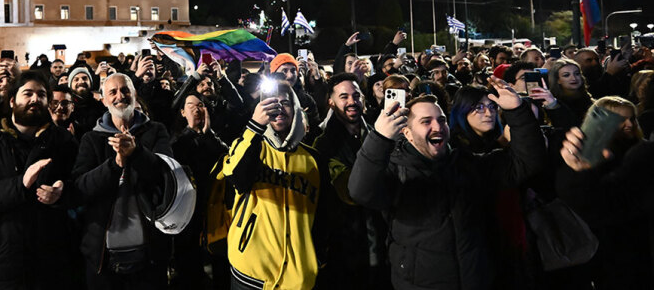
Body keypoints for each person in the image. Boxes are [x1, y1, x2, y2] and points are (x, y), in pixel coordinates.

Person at [349, 77, 546, 289]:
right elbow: (361, 191)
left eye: (441, 120)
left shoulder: (467, 164)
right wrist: (379, 138)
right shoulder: (396, 169)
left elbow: (526, 163)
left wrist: (517, 111)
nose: (438, 127)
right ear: (407, 133)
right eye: (426, 121)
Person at [0, 70, 79, 289]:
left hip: (50, 264)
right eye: (27, 93)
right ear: (12, 101)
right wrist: (19, 185)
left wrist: (62, 192)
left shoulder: (63, 141)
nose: (34, 100)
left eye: (41, 94)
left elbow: (80, 186)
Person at [220, 80, 331, 290]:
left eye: (286, 103)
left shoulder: (314, 159)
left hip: (298, 278)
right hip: (251, 274)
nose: (279, 108)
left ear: (296, 109)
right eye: (272, 102)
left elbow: (324, 214)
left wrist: (319, 256)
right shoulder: (248, 145)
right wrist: (255, 126)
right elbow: (237, 178)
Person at [74, 73, 173, 290]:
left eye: (125, 90)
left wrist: (137, 153)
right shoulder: (91, 139)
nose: (120, 96)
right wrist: (116, 164)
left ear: (135, 94)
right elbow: (81, 188)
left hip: (149, 253)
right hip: (103, 257)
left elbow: (166, 176)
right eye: (113, 92)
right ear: (104, 100)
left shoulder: (156, 131)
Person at [556, 97, 654, 289]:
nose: (629, 124)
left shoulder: (646, 150)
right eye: (621, 120)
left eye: (632, 119)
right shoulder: (596, 158)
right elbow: (599, 205)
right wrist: (580, 173)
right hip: (618, 251)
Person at [312, 73, 387, 289]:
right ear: (331, 102)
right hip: (344, 246)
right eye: (344, 97)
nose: (352, 102)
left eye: (356, 95)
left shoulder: (378, 132)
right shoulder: (323, 146)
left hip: (383, 240)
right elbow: (348, 191)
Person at [170, 92, 228, 289]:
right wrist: (195, 134)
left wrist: (209, 134)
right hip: (188, 212)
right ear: (182, 112)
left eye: (201, 105)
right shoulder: (176, 142)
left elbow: (227, 158)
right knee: (190, 267)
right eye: (191, 105)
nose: (197, 108)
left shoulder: (214, 138)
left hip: (214, 210)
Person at [68, 66, 106, 140]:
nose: (81, 81)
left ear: (90, 83)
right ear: (70, 85)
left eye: (85, 78)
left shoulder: (99, 106)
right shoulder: (67, 107)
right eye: (76, 79)